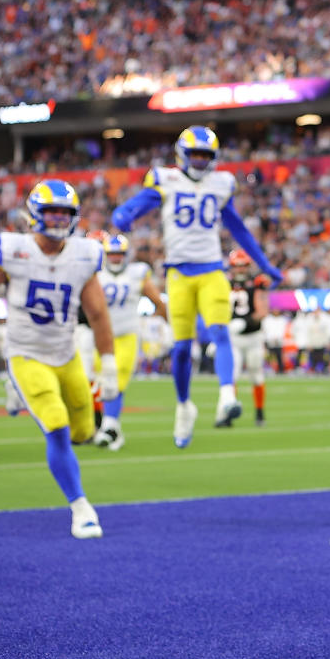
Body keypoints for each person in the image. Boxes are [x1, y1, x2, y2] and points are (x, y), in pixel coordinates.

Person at [0, 180, 119, 538]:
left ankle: (23, 397)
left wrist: (108, 363)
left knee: (84, 432)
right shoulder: (13, 249)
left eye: (65, 211)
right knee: (57, 423)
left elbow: (97, 314)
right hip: (26, 353)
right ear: (35, 213)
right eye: (52, 210)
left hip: (66, 356)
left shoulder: (83, 254)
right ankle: (81, 508)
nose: (59, 218)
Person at [111, 126, 283, 448]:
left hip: (212, 270)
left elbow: (240, 231)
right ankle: (184, 406)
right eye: (196, 155)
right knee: (180, 349)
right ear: (183, 155)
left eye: (206, 155)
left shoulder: (221, 184)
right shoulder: (166, 180)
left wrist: (265, 265)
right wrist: (123, 214)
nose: (201, 161)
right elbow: (137, 205)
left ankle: (227, 396)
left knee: (221, 332)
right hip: (177, 273)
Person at [94, 233, 167, 449]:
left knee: (117, 379)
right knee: (100, 380)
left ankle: (109, 426)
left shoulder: (138, 274)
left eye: (119, 254)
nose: (116, 258)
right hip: (100, 335)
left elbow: (156, 300)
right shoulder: (95, 275)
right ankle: (103, 426)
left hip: (127, 333)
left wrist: (169, 321)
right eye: (112, 254)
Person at [227, 249, 271, 425]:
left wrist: (245, 322)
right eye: (237, 267)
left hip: (253, 336)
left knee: (256, 374)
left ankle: (259, 413)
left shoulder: (256, 283)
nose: (240, 270)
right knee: (231, 375)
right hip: (233, 337)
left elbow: (262, 311)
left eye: (243, 266)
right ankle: (228, 414)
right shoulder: (225, 283)